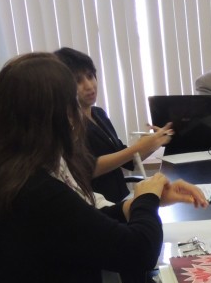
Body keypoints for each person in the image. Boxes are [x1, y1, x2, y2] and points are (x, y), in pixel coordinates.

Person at [0, 53, 209, 283]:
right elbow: (140, 252)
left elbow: (80, 225)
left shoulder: (8, 174)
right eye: (70, 106)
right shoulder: (37, 191)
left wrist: (134, 205)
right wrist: (146, 201)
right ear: (55, 116)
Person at [54, 47, 173, 203]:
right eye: (78, 81)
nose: (89, 86)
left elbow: (128, 161)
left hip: (123, 199)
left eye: (90, 76)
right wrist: (137, 148)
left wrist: (156, 142)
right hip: (98, 204)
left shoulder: (99, 114)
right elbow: (87, 168)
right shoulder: (66, 124)